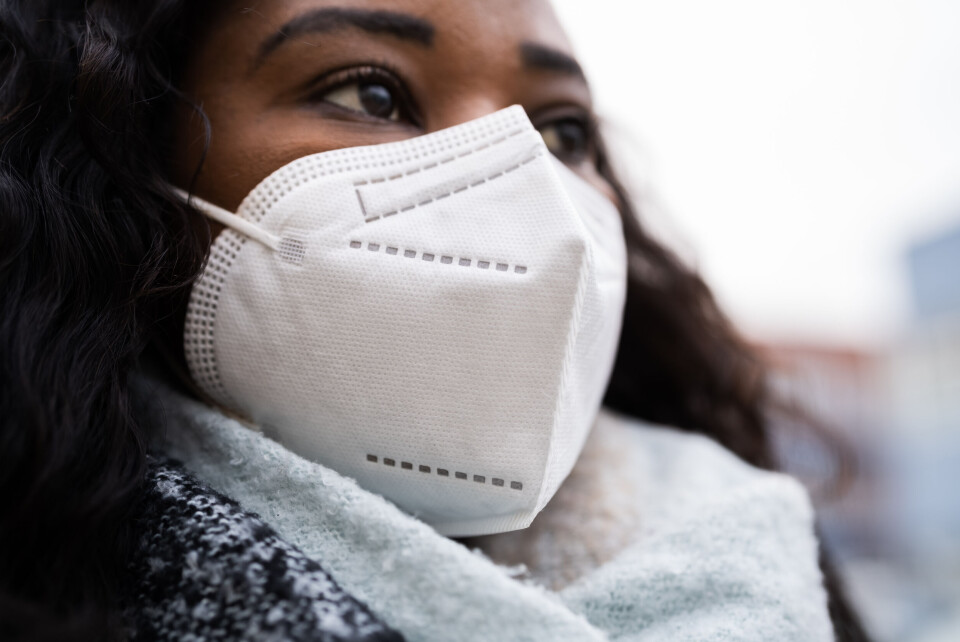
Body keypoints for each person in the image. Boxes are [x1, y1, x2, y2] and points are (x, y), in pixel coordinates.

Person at [0, 1, 869, 640]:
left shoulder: (749, 547)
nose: (528, 190)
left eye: (563, 134)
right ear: (125, 159)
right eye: (370, 93)